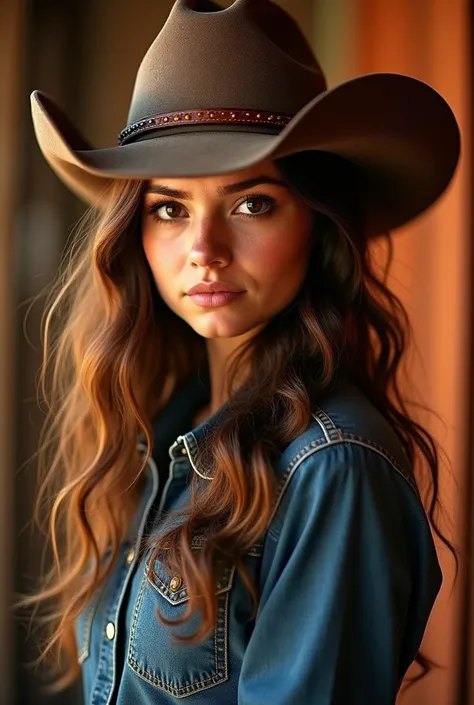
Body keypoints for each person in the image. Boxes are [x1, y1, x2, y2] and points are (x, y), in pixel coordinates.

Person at [20, 0, 460, 703]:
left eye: (251, 202)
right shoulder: (171, 429)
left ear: (318, 224)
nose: (204, 252)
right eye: (170, 207)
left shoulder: (332, 466)